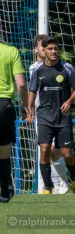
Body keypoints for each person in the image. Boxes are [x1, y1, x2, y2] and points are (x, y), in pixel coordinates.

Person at [27, 37, 75, 194]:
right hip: (44, 115)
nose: (53, 52)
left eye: (55, 49)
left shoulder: (67, 68)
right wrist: (29, 108)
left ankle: (74, 178)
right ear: (43, 50)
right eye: (50, 49)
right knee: (44, 149)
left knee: (67, 154)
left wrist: (70, 101)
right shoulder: (37, 71)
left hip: (63, 117)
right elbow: (32, 90)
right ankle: (47, 187)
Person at [0, 39, 29, 202]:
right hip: (4, 105)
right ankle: (5, 192)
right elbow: (21, 85)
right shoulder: (11, 51)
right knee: (3, 151)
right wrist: (26, 106)